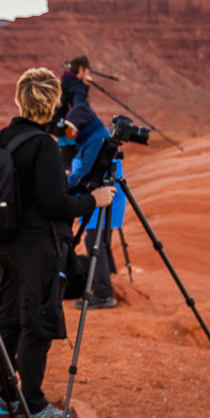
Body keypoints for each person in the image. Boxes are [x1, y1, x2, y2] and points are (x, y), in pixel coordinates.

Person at [0, 68, 116, 418]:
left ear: (20, 98)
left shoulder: (3, 136)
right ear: (53, 102)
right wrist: (95, 200)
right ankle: (33, 404)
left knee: (8, 317)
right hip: (36, 246)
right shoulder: (43, 145)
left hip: (4, 242)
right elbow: (55, 204)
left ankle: (1, 398)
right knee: (38, 321)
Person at [60, 56, 121, 308]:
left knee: (92, 239)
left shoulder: (95, 140)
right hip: (105, 192)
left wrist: (64, 184)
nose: (71, 134)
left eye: (73, 129)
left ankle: (104, 293)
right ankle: (111, 280)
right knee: (100, 239)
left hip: (104, 194)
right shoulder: (93, 136)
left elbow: (83, 172)